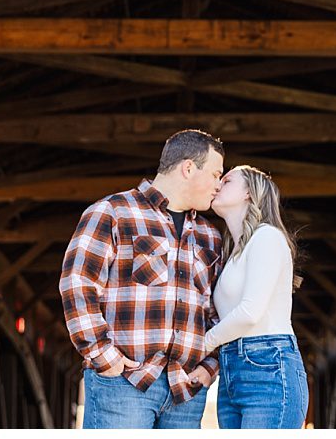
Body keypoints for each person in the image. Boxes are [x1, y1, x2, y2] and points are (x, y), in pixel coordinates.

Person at [59, 129, 226, 429]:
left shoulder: (209, 237)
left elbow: (215, 310)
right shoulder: (112, 212)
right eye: (215, 174)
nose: (218, 185)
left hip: (186, 389)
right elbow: (77, 284)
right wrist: (102, 354)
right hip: (124, 384)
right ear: (188, 168)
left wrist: (209, 367)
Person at [204, 165, 309, 429]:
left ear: (249, 192)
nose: (217, 185)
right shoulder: (234, 251)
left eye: (226, 180)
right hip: (232, 368)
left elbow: (250, 312)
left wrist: (202, 344)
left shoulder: (268, 237)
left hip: (268, 366)